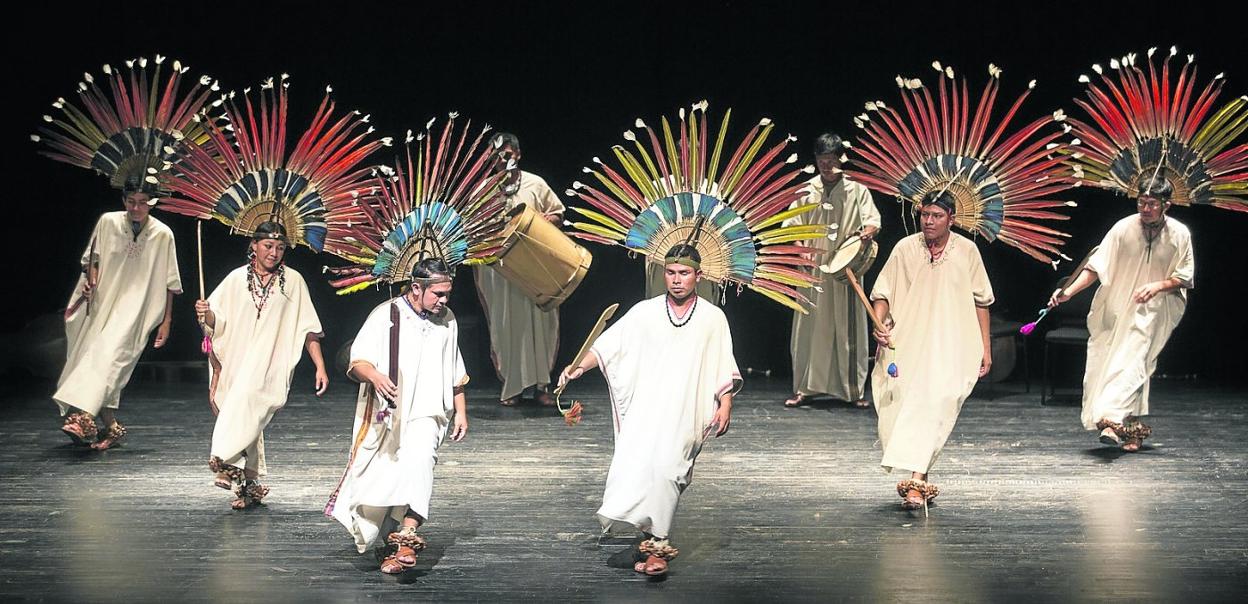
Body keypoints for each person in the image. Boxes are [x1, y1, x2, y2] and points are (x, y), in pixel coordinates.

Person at [559, 244, 741, 577]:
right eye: (670, 273)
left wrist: (725, 402)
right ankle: (654, 546)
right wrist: (578, 367)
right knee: (645, 471)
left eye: (684, 273)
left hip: (689, 409)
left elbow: (722, 361)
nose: (676, 280)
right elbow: (609, 345)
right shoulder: (645, 311)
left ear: (698, 276)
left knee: (670, 470)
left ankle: (655, 546)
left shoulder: (713, 318)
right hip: (649, 407)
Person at [327, 258, 469, 574]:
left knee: (420, 462)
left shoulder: (448, 320)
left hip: (429, 411)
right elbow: (357, 362)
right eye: (438, 294)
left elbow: (454, 369)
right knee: (383, 481)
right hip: (388, 415)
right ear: (416, 288)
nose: (444, 300)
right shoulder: (386, 315)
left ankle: (407, 535)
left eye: (447, 293)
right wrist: (376, 376)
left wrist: (461, 411)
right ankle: (390, 544)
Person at [1048, 176, 1194, 451]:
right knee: (1120, 365)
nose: (1145, 208)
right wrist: (1069, 292)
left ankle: (1110, 421)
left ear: (1166, 205)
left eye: (1152, 203)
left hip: (1153, 310)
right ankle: (1131, 431)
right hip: (1116, 307)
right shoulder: (1123, 228)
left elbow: (1184, 276)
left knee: (1133, 361)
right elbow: (1096, 266)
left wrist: (1157, 286)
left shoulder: (1179, 233)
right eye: (1141, 202)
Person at [870, 190, 993, 510]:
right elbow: (882, 293)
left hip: (953, 344)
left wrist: (986, 347)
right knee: (907, 407)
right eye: (925, 214)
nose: (929, 221)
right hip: (908, 342)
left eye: (937, 216)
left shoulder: (967, 251)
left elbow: (981, 301)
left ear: (951, 218)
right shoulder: (905, 248)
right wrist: (879, 324)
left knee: (938, 405)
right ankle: (917, 480)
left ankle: (917, 481)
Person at [194, 221, 328, 509]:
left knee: (248, 400)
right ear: (253, 245)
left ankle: (225, 460)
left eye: (280, 247)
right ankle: (249, 485)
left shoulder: (293, 282)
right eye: (268, 245)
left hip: (271, 360)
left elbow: (309, 328)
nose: (274, 252)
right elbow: (217, 321)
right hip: (237, 356)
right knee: (247, 415)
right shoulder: (235, 279)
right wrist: (206, 313)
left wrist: (320, 366)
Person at [55, 178, 181, 450]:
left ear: (151, 203)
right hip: (103, 301)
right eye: (131, 202)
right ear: (124, 200)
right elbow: (93, 259)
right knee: (98, 359)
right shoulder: (108, 222)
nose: (136, 208)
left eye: (142, 203)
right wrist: (91, 282)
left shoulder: (163, 234)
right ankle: (111, 426)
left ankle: (83, 417)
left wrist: (167, 320)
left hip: (138, 308)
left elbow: (170, 281)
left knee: (110, 357)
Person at [785, 132, 881, 409]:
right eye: (821, 160)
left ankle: (853, 390)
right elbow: (792, 226)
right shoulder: (807, 190)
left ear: (840, 159)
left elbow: (873, 221)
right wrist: (801, 248)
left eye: (831, 160)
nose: (826, 165)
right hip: (813, 267)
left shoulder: (857, 190)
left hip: (845, 267)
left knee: (848, 327)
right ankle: (803, 388)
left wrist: (867, 233)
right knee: (808, 328)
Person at [474, 132, 564, 407]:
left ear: (518, 155)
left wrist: (543, 220)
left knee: (540, 324)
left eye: (507, 154)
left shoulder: (535, 183)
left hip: (534, 266)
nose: (502, 160)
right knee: (506, 324)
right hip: (501, 271)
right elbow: (472, 229)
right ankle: (512, 386)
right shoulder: (483, 191)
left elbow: (558, 213)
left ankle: (542, 386)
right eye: (496, 156)